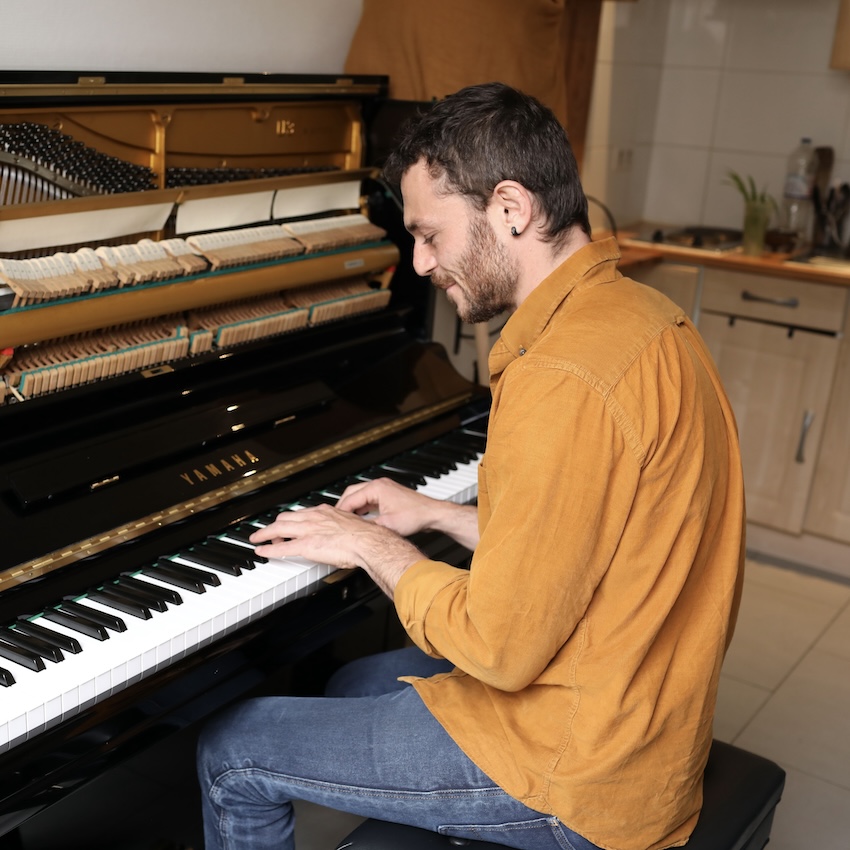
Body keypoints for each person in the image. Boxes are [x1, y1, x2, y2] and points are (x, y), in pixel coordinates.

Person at [197, 82, 745, 850]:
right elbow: (600, 540)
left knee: (232, 749)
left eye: (429, 234)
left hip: (580, 774)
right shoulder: (646, 318)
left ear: (512, 208)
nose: (417, 263)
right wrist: (438, 514)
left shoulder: (562, 375)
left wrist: (373, 547)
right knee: (354, 682)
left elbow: (500, 648)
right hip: (644, 722)